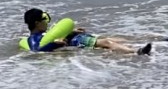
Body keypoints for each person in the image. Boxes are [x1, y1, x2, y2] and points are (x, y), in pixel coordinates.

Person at [22, 8, 152, 55]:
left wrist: (72, 31)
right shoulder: (33, 39)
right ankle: (137, 51)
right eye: (45, 19)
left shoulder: (45, 32)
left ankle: (156, 42)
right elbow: (37, 50)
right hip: (76, 43)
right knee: (107, 42)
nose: (47, 21)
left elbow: (56, 35)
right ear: (37, 23)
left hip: (76, 39)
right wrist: (55, 44)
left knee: (113, 39)